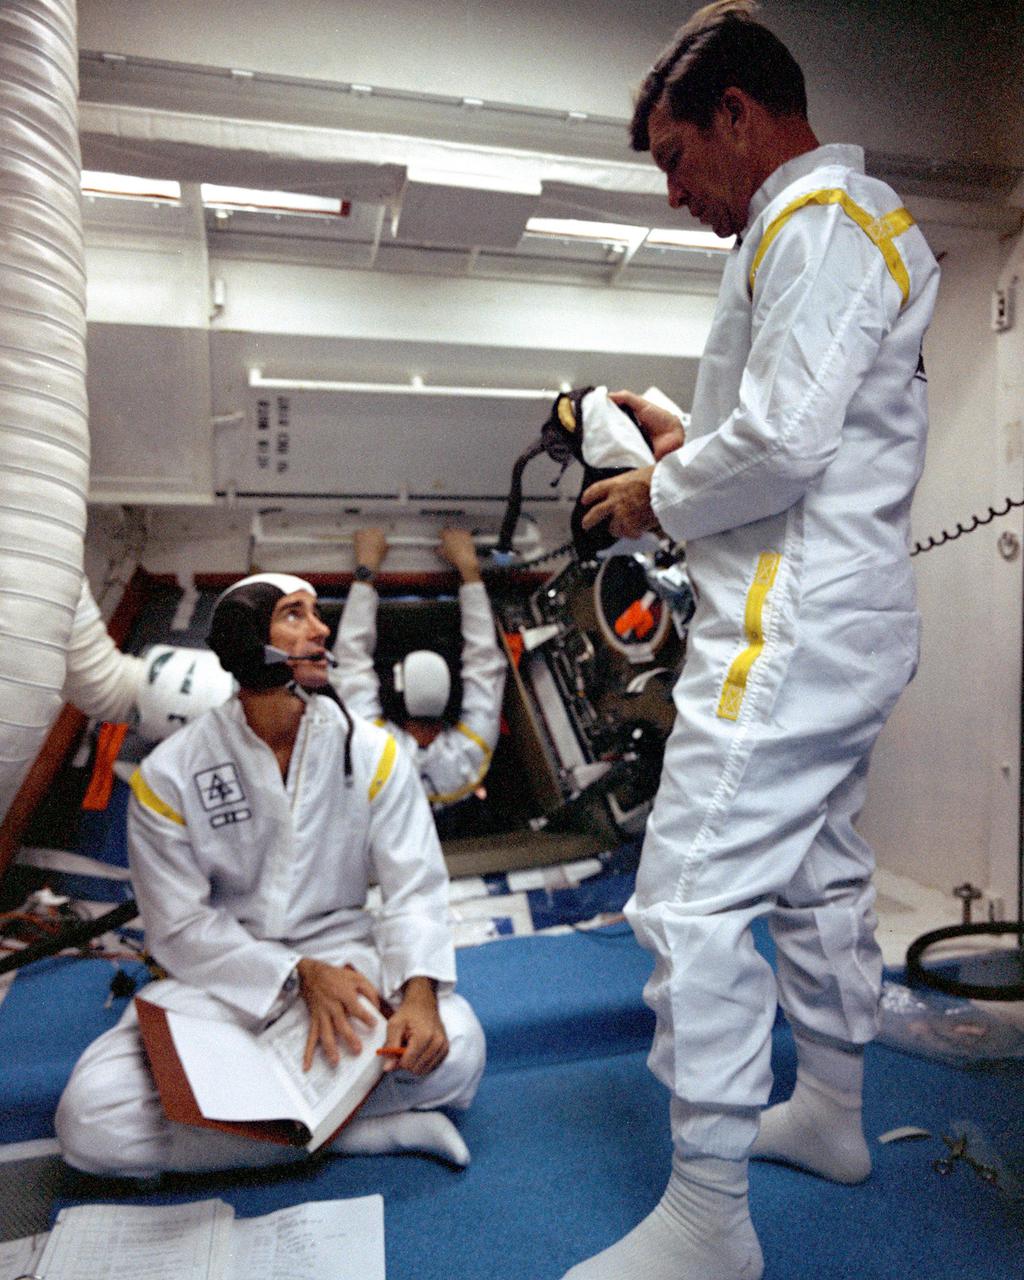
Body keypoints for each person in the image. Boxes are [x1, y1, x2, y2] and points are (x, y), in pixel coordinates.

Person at [561, 4, 940, 1278]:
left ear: (736, 114)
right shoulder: (821, 230)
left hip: (791, 625)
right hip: (833, 614)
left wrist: (652, 492)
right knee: (818, 875)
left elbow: (781, 444)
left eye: (676, 159)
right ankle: (830, 1112)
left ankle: (707, 1219)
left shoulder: (817, 221)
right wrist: (684, 437)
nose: (675, 194)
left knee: (688, 897)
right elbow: (792, 429)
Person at [56, 572, 485, 1177]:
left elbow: (414, 889)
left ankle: (267, 1135)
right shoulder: (169, 776)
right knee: (90, 1122)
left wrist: (419, 996)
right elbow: (177, 927)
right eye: (294, 614)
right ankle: (362, 1134)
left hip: (347, 965)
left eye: (316, 613)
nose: (321, 629)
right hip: (223, 980)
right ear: (246, 640)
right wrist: (293, 974)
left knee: (460, 1048)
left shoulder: (373, 753)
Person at [332, 527, 507, 817]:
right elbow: (485, 664)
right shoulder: (469, 756)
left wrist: (367, 569)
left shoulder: (374, 751)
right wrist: (469, 568)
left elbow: (349, 660)